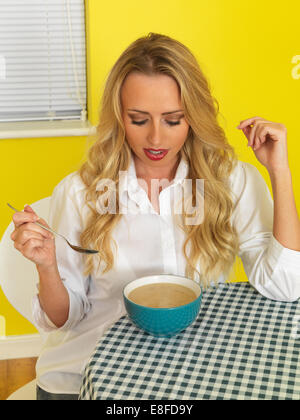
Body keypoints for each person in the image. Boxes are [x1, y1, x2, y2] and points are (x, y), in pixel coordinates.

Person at [10, 33, 300, 400]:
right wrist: (48, 266)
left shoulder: (234, 181)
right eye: (139, 119)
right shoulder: (80, 191)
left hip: (193, 373)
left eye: (173, 120)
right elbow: (63, 319)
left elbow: (287, 286)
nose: (156, 139)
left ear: (194, 116)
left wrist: (280, 172)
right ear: (119, 116)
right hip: (83, 374)